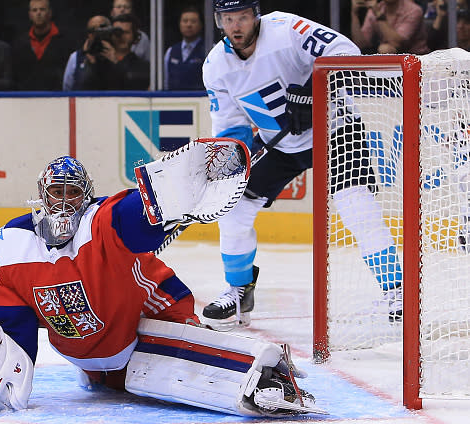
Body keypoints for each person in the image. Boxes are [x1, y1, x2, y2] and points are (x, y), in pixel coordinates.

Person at [0, 153, 322, 417]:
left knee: (179, 371)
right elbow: (6, 318)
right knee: (115, 383)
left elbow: (130, 215)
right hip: (93, 352)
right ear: (42, 194)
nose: (63, 202)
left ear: (86, 196)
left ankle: (258, 373)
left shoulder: (100, 221)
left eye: (73, 192)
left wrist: (165, 201)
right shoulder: (10, 244)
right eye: (56, 192)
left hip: (151, 318)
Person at [201, 0, 404, 325]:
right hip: (278, 144)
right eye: (228, 19)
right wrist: (234, 159)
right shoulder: (215, 66)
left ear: (255, 16)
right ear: (219, 22)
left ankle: (396, 291)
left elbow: (344, 50)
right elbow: (229, 126)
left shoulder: (286, 30)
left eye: (242, 17)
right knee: (235, 209)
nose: (236, 26)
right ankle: (239, 292)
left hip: (335, 128)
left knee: (355, 204)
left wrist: (314, 90)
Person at [65, 13, 149, 90]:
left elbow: (135, 88)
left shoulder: (142, 66)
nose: (120, 36)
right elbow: (86, 91)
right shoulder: (100, 63)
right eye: (116, 32)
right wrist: (91, 64)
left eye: (126, 32)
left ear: (135, 37)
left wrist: (116, 63)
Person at [11, 0, 72, 90]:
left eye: (42, 9)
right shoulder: (20, 43)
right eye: (34, 10)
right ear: (30, 15)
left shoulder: (65, 41)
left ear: (50, 13)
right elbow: (15, 76)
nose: (38, 13)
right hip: (25, 99)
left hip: (57, 98)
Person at [350, 0, 429, 54]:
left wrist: (378, 15)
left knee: (385, 49)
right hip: (389, 58)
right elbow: (361, 44)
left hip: (417, 58)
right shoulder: (377, 8)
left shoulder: (414, 10)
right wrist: (354, 14)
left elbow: (397, 43)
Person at [62, 15, 111, 91]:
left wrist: (115, 62)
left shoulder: (116, 55)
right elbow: (67, 89)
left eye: (100, 30)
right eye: (92, 31)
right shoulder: (76, 57)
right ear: (88, 34)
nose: (96, 34)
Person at [164, 6, 206, 91]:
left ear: (201, 25)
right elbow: (165, 82)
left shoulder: (210, 50)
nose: (189, 25)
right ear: (179, 24)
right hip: (173, 101)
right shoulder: (171, 51)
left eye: (193, 21)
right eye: (185, 21)